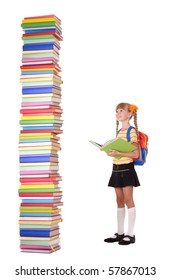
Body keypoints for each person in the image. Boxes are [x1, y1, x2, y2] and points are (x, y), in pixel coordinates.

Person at [104, 102, 140, 245]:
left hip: (126, 168)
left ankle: (130, 235)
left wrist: (118, 152)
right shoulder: (119, 132)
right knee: (119, 201)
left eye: (121, 111)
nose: (118, 113)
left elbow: (135, 153)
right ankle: (120, 233)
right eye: (116, 111)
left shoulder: (131, 131)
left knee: (128, 200)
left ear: (129, 114)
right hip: (116, 168)